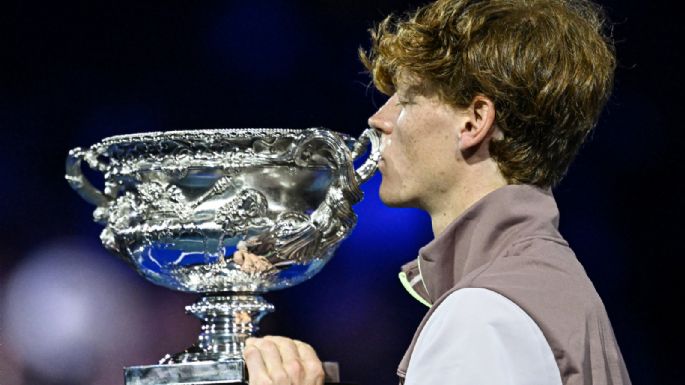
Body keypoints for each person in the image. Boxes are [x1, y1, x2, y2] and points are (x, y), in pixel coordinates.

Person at [242, 0, 631, 384]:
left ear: (474, 121)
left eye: (407, 99)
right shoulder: (545, 284)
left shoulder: (482, 313)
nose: (379, 119)